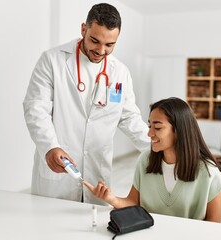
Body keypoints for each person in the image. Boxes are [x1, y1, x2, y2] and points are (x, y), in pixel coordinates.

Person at [23, 3, 150, 205]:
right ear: (84, 28)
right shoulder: (52, 60)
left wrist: (157, 147)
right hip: (59, 171)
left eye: (110, 45)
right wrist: (50, 147)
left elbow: (129, 118)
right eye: (94, 40)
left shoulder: (120, 72)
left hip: (96, 172)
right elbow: (36, 109)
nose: (101, 50)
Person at [84, 97, 221, 222]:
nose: (149, 133)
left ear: (179, 131)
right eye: (149, 126)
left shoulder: (209, 172)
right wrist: (111, 198)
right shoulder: (145, 160)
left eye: (158, 128)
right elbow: (133, 202)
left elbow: (213, 227)